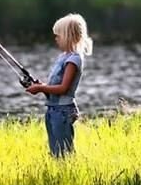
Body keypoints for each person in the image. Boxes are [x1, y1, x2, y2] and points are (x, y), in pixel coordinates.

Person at [25, 13, 93, 157]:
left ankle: (70, 174)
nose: (56, 39)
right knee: (55, 151)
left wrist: (41, 88)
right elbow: (55, 88)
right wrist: (42, 86)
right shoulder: (63, 57)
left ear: (69, 37)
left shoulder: (74, 60)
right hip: (52, 110)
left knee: (64, 152)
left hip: (63, 112)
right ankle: (58, 175)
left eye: (59, 36)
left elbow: (63, 88)